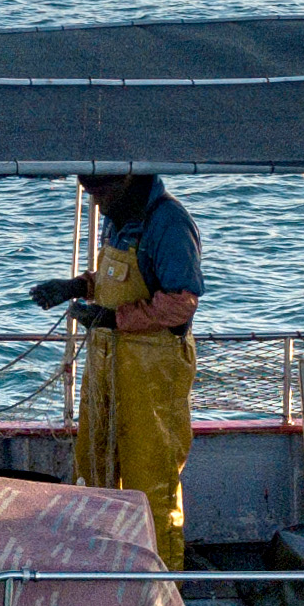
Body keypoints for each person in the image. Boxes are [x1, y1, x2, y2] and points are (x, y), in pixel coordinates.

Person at [29, 172, 202, 570]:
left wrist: (111, 319)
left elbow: (180, 304)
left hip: (153, 367)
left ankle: (161, 584)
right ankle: (100, 570)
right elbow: (113, 280)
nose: (96, 204)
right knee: (94, 466)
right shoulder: (118, 219)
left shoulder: (170, 222)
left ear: (128, 181)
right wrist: (75, 287)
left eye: (101, 193)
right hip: (108, 363)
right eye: (90, 194)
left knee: (150, 479)